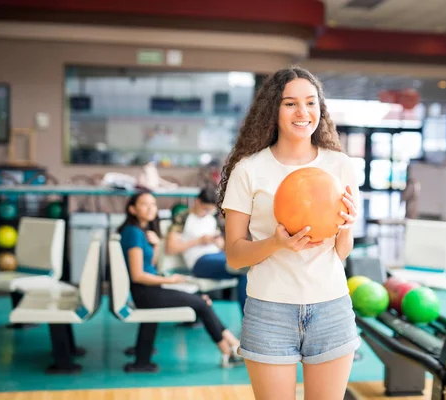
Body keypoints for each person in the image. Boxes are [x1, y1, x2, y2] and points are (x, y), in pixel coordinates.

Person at [218, 66, 360, 399]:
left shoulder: (340, 166)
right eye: (290, 103)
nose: (303, 112)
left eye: (311, 103)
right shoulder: (249, 170)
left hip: (331, 306)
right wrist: (275, 243)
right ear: (273, 110)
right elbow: (235, 255)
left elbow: (341, 251)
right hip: (270, 310)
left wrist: (347, 226)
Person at [117, 190, 243, 368]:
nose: (150, 208)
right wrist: (170, 281)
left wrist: (154, 245)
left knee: (202, 301)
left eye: (153, 204)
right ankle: (228, 351)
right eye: (144, 204)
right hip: (146, 293)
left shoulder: (140, 231)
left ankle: (231, 346)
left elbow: (149, 264)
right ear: (132, 209)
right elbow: (138, 275)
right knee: (201, 303)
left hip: (150, 290)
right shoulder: (134, 233)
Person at [164, 186, 248, 313]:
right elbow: (170, 248)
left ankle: (249, 317)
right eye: (205, 209)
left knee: (245, 272)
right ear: (197, 202)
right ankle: (247, 317)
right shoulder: (183, 217)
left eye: (211, 210)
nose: (207, 213)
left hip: (217, 255)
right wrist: (199, 241)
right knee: (243, 267)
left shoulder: (211, 218)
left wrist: (218, 242)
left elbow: (221, 245)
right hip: (199, 261)